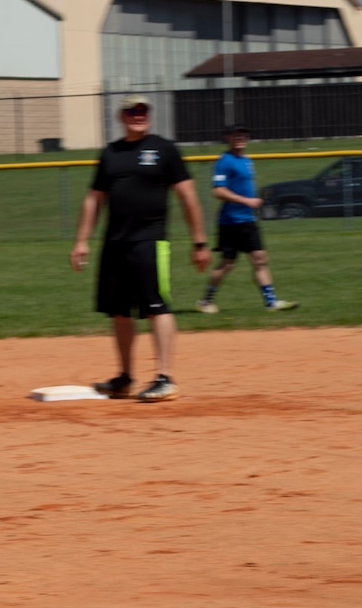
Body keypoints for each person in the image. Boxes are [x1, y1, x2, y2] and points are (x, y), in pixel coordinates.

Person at [70, 97, 210, 402]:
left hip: (150, 241)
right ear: (122, 116)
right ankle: (125, 377)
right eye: (132, 111)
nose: (139, 116)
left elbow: (188, 196)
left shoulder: (164, 149)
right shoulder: (111, 153)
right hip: (115, 243)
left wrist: (199, 242)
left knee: (155, 306)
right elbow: (94, 199)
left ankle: (164, 377)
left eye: (144, 111)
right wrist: (82, 240)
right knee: (120, 312)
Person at [196, 124, 298, 315]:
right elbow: (217, 190)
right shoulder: (224, 161)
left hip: (247, 219)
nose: (240, 137)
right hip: (230, 220)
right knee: (227, 263)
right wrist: (246, 201)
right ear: (227, 138)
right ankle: (205, 301)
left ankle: (271, 302)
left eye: (243, 134)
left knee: (260, 259)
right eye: (236, 135)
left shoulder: (246, 160)